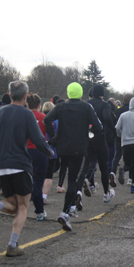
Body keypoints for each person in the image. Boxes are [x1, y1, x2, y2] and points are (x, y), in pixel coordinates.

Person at [0, 81, 54, 257]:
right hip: (21, 166)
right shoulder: (27, 114)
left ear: (9, 93)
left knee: (13, 206)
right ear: (26, 96)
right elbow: (38, 140)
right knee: (23, 207)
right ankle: (12, 245)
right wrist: (50, 153)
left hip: (3, 168)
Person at [44, 82, 102, 231]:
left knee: (68, 176)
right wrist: (91, 131)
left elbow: (47, 119)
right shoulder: (86, 107)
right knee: (74, 180)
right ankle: (65, 212)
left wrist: (54, 136)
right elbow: (99, 126)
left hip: (63, 148)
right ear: (81, 93)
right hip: (79, 148)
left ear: (69, 93)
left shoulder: (61, 106)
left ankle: (70, 209)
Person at [80, 85, 115, 204]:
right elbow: (107, 117)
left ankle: (79, 191)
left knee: (86, 165)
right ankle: (106, 193)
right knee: (103, 167)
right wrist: (113, 130)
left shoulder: (86, 104)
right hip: (100, 137)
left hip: (87, 137)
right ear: (102, 94)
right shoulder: (105, 105)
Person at [26, 93, 49, 221]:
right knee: (38, 182)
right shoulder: (44, 118)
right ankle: (39, 211)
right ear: (39, 105)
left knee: (25, 180)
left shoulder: (24, 117)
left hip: (25, 151)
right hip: (40, 151)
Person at [112, 94, 131, 185]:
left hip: (119, 135)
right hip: (129, 136)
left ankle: (112, 172)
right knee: (130, 158)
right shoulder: (133, 112)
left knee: (117, 156)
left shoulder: (118, 111)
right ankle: (130, 176)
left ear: (123, 100)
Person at [41, 101, 57, 206]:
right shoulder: (56, 121)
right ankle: (44, 196)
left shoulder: (40, 119)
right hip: (52, 149)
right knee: (49, 175)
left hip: (40, 148)